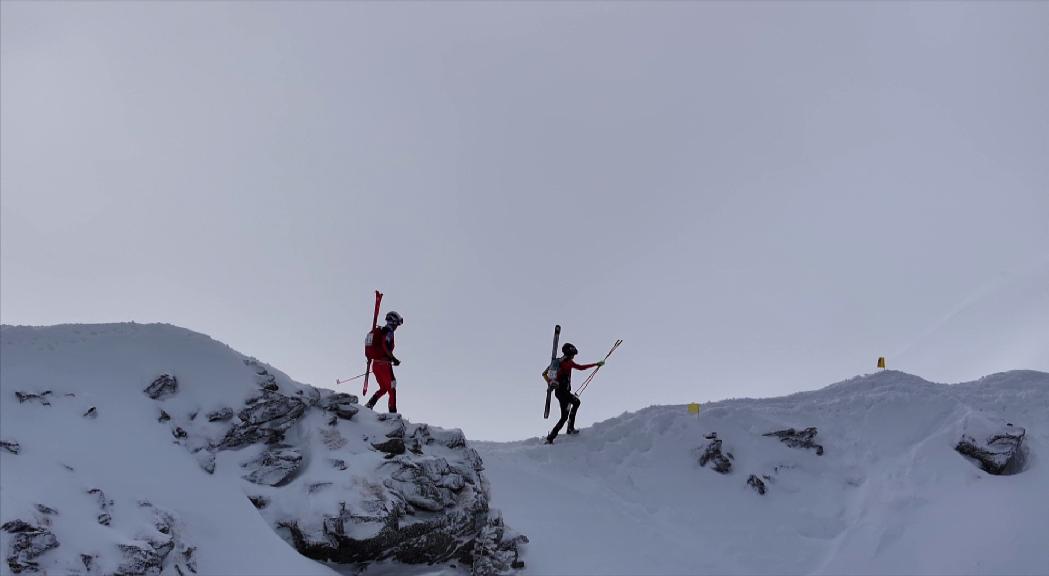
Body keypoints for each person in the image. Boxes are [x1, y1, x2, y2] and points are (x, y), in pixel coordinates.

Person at [545, 343, 603, 444]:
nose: (573, 357)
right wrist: (551, 383)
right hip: (561, 392)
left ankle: (551, 437)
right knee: (576, 402)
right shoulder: (558, 362)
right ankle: (570, 428)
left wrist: (596, 364)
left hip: (565, 392)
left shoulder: (569, 362)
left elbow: (580, 367)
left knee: (564, 417)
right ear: (568, 353)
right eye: (572, 354)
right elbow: (547, 374)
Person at [365, 311, 403, 413]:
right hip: (384, 365)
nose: (397, 327)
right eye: (397, 324)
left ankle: (369, 405)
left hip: (376, 365)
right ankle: (393, 414)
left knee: (383, 388)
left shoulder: (381, 331)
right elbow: (385, 345)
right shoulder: (389, 331)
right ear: (393, 322)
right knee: (392, 387)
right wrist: (393, 358)